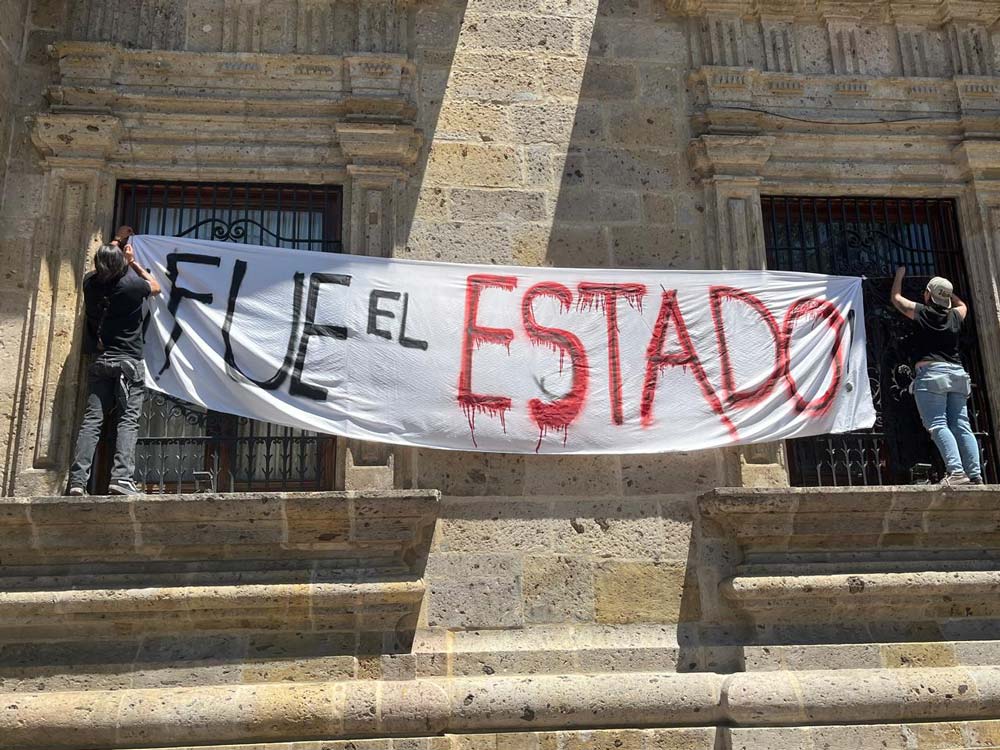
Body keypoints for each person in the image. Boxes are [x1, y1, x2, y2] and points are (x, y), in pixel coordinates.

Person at [67, 235, 161, 496]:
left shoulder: (89, 284)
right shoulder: (131, 285)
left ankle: (77, 481)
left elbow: (100, 267)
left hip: (101, 360)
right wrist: (134, 263)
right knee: (128, 420)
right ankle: (121, 478)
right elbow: (155, 287)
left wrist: (115, 242)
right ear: (121, 264)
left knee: (92, 421)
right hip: (128, 362)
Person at [891, 266, 983, 485]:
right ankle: (975, 473)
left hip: (932, 375)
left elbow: (896, 299)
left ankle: (956, 472)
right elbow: (963, 305)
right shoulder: (955, 316)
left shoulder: (922, 312)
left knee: (938, 424)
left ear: (927, 295)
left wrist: (898, 277)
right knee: (962, 425)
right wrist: (948, 293)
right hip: (958, 374)